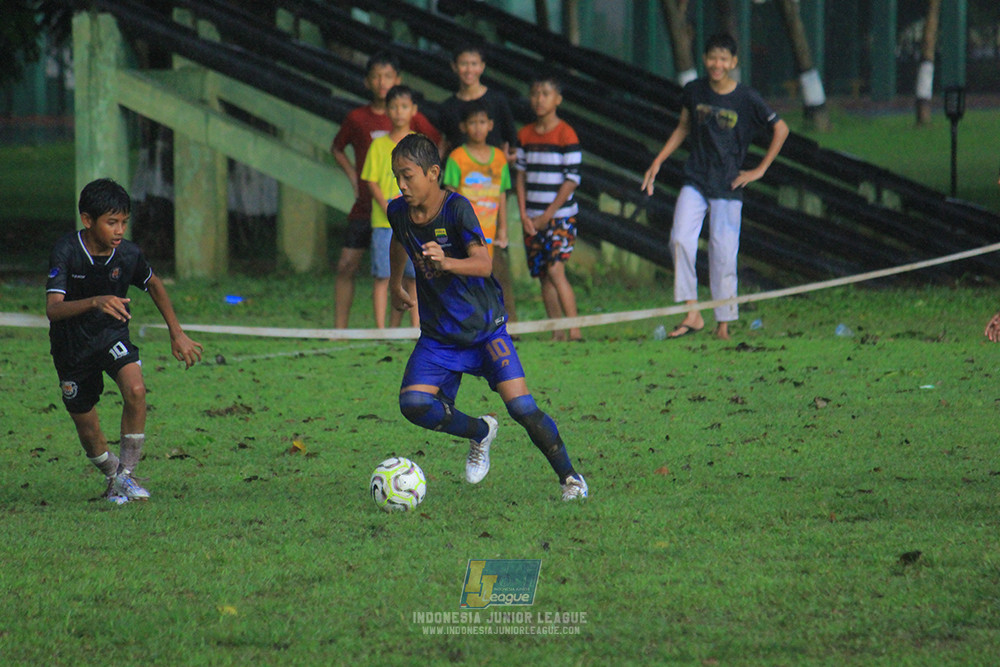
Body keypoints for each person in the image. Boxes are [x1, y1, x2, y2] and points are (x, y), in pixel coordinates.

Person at [386, 133, 587, 501]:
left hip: (484, 330)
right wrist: (396, 283)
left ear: (433, 173)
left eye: (407, 175)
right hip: (439, 336)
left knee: (523, 408)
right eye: (396, 175)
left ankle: (571, 478)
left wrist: (446, 262)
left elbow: (483, 263)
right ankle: (480, 432)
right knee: (413, 405)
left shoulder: (457, 209)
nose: (400, 183)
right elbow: (398, 239)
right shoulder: (398, 210)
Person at [45, 178, 203, 504]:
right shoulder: (67, 250)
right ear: (88, 220)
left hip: (112, 335)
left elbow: (155, 284)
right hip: (72, 347)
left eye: (124, 222)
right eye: (111, 222)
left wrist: (177, 332)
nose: (119, 230)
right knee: (88, 430)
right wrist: (95, 301)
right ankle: (114, 478)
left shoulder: (128, 254)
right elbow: (53, 309)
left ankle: (126, 478)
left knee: (136, 389)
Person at [642, 32, 789, 340]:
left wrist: (759, 169)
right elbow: (683, 126)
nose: (717, 64)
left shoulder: (747, 98)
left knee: (723, 253)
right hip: (696, 178)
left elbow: (781, 129)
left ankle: (723, 323)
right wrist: (658, 161)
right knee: (680, 239)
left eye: (723, 59)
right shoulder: (694, 90)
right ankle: (692, 312)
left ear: (733, 62)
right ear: (705, 59)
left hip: (729, 184)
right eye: (712, 57)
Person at [330, 51, 441, 329]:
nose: (382, 82)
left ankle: (401, 328)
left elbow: (436, 146)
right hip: (368, 207)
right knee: (348, 265)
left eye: (388, 76)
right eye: (376, 76)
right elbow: (337, 148)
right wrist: (355, 180)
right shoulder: (357, 117)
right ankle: (340, 329)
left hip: (408, 209)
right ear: (367, 81)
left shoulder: (415, 123)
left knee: (409, 271)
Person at [514, 74, 583, 341]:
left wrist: (548, 215)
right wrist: (523, 214)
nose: (539, 99)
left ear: (558, 99)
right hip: (532, 217)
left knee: (556, 269)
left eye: (545, 93)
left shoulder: (567, 133)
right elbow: (520, 175)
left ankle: (575, 329)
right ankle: (557, 331)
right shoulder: (525, 134)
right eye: (535, 93)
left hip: (560, 217)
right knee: (543, 274)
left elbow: (572, 179)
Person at [442, 99, 517, 319]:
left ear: (491, 125)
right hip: (465, 231)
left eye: (482, 122)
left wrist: (503, 229)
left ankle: (499, 324)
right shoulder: (457, 157)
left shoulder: (499, 159)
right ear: (463, 127)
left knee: (493, 280)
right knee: (466, 280)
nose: (477, 127)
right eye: (472, 122)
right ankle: (466, 323)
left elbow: (502, 194)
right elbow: (450, 194)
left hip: (491, 233)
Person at [360, 84, 422, 329]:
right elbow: (371, 180)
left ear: (414, 110)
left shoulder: (418, 146)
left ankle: (418, 328)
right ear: (386, 110)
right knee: (383, 277)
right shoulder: (378, 145)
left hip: (414, 222)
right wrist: (387, 207)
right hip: (384, 222)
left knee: (413, 277)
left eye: (404, 106)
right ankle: (381, 329)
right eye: (393, 107)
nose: (399, 112)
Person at [438, 43, 519, 162]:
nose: (469, 70)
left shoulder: (497, 100)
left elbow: (511, 141)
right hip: (460, 175)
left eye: (474, 64)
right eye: (463, 64)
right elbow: (446, 144)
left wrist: (507, 159)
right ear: (454, 66)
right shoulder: (448, 107)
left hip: (492, 172)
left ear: (482, 67)